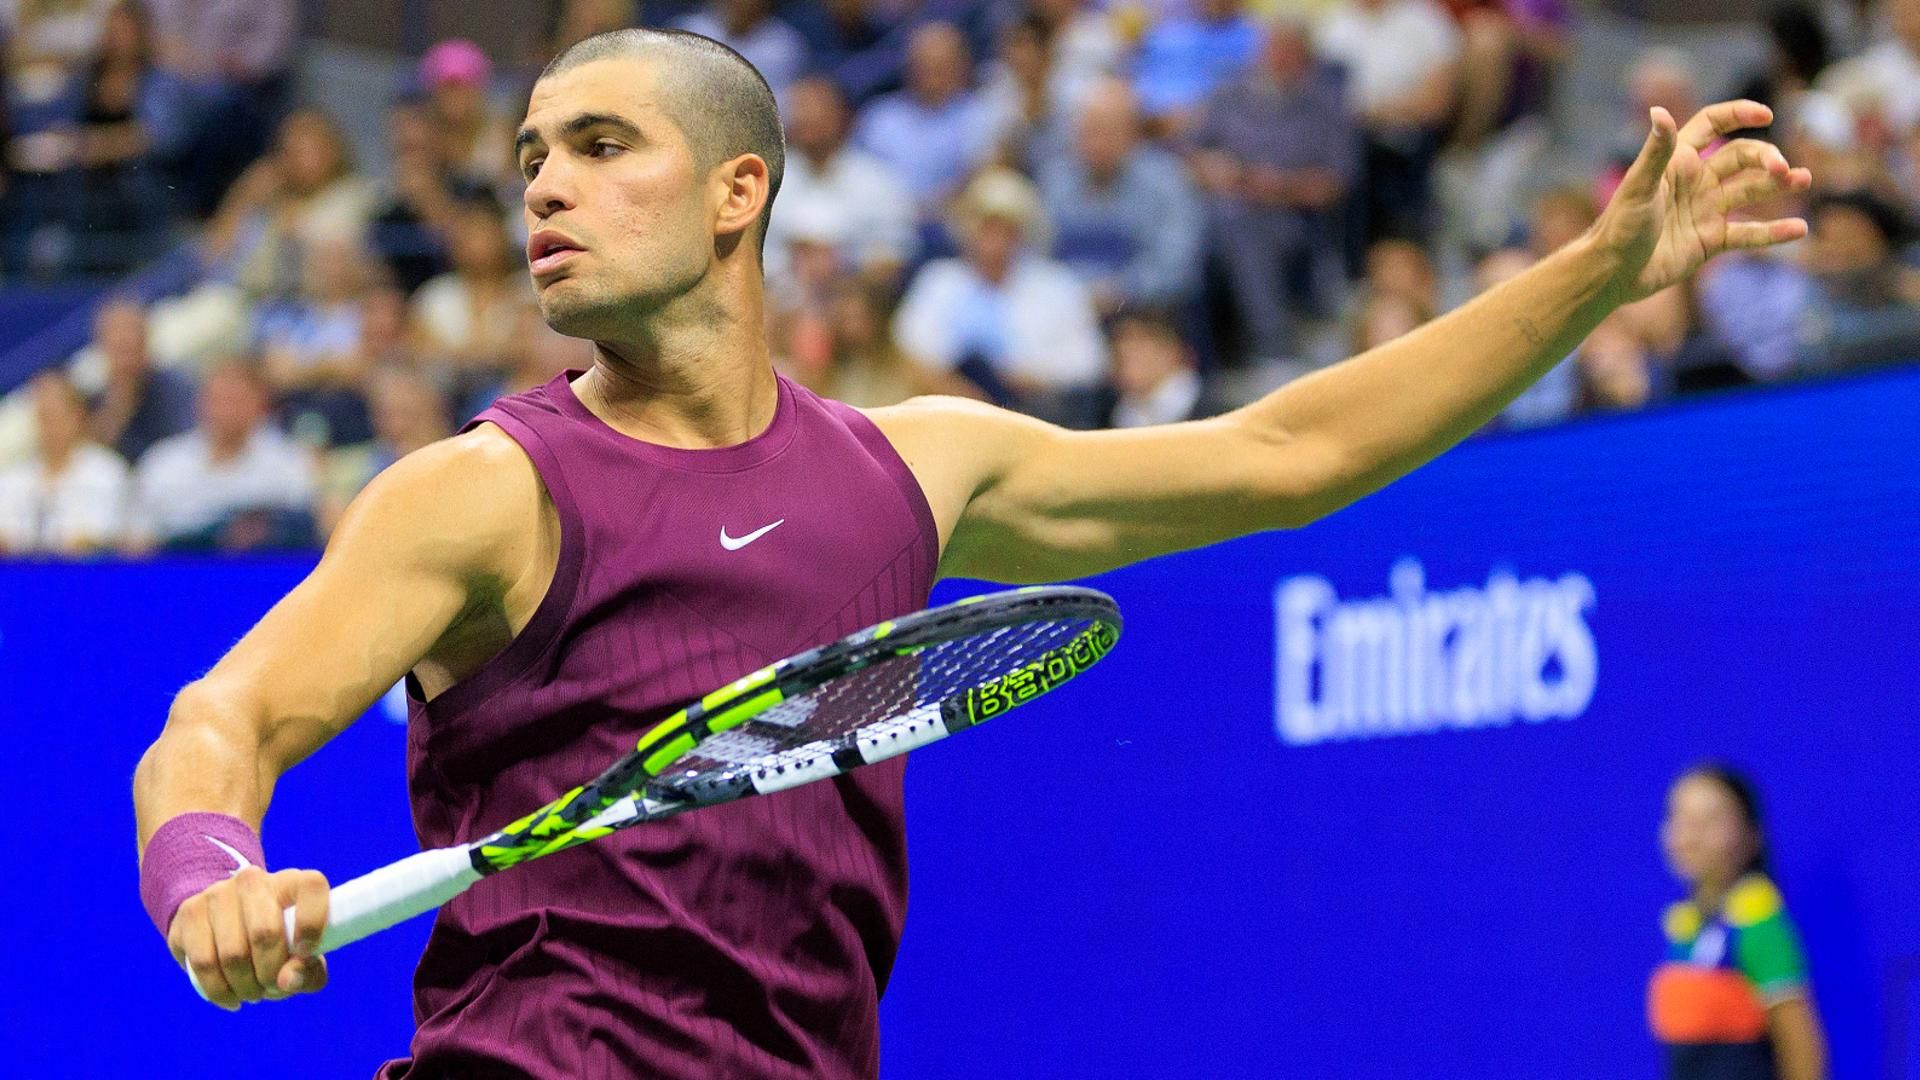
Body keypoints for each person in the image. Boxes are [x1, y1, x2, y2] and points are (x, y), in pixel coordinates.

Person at [130, 26, 1811, 1080]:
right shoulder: (486, 491)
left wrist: (1595, 277)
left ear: (738, 194)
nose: (541, 192)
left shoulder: (908, 473)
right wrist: (209, 878)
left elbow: (1291, 455)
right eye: (527, 161)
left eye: (596, 145)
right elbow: (228, 719)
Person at [1650, 765, 1827, 1080]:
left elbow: (1801, 1049)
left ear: (1751, 835)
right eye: (1680, 819)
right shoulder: (1685, 928)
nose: (1689, 836)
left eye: (1710, 821)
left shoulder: (1760, 926)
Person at [125, 361, 316, 552]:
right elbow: (137, 542)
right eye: (220, 399)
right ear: (201, 403)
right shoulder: (163, 464)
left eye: (238, 400)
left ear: (261, 406)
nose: (228, 410)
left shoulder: (288, 465)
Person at [0, 370, 131, 555]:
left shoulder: (106, 472)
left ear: (77, 416)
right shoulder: (13, 478)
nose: (51, 428)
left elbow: (95, 540)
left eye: (57, 416)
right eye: (44, 417)